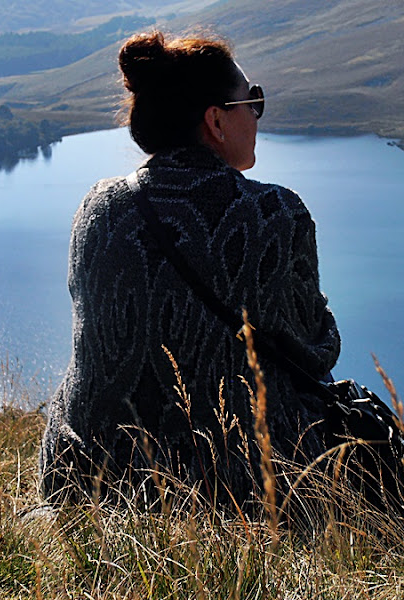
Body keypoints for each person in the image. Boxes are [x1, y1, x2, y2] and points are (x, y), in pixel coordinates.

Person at [40, 31, 341, 506]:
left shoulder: (96, 207)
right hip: (231, 490)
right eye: (252, 101)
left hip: (88, 479)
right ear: (216, 121)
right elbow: (316, 351)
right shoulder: (275, 213)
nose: (258, 115)